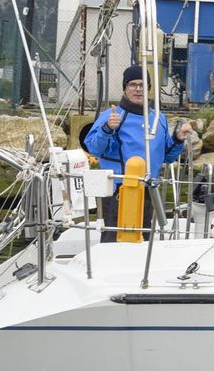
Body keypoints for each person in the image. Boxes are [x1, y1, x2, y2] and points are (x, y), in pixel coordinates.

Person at [82, 65, 193, 242]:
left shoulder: (158, 119)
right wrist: (107, 129)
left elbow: (166, 157)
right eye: (132, 85)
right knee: (114, 239)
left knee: (144, 240)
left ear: (148, 88)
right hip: (118, 189)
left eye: (142, 85)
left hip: (147, 188)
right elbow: (94, 148)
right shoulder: (111, 116)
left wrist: (178, 139)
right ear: (125, 88)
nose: (137, 89)